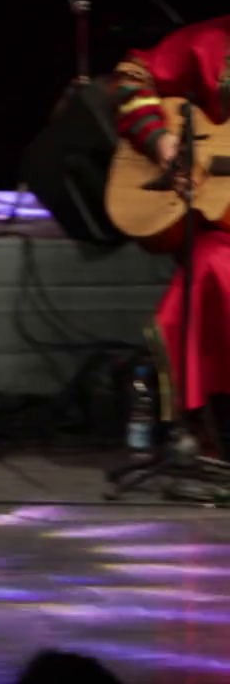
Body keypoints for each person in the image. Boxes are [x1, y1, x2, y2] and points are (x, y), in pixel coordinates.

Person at [111, 21, 230, 430]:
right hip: (218, 224)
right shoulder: (209, 41)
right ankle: (207, 421)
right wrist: (160, 141)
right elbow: (131, 79)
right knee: (214, 267)